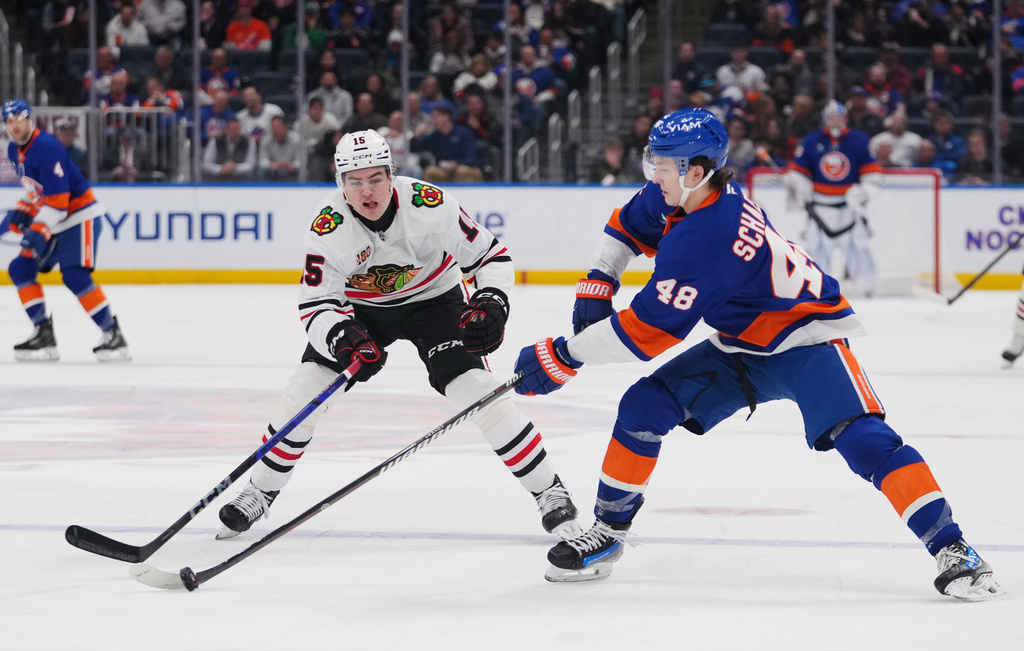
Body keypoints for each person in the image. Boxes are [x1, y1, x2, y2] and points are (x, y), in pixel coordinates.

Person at [511, 107, 1004, 602]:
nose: (651, 174)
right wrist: (600, 276)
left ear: (695, 171)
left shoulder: (708, 236)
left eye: (660, 165)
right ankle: (608, 534)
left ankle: (955, 549)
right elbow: (628, 222)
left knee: (867, 442)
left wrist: (564, 356)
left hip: (806, 338)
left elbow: (646, 334)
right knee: (643, 408)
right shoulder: (689, 193)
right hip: (739, 343)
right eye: (653, 162)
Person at [216, 130, 582, 542]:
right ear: (340, 184)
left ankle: (549, 490)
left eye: (375, 178)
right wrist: (342, 336)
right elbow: (315, 305)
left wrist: (492, 303)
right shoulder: (327, 228)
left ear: (392, 175)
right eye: (354, 181)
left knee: (477, 391)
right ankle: (260, 490)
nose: (366, 190)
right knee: (306, 391)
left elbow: (490, 256)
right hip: (361, 311)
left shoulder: (432, 205)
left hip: (435, 302)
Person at [2, 100, 130, 362]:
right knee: (20, 268)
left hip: (79, 217)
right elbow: (38, 191)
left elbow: (59, 201)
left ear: (30, 119)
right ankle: (43, 334)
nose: (15, 125)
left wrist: (37, 229)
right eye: (9, 121)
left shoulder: (47, 147)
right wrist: (23, 208)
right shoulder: (15, 151)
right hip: (57, 220)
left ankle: (113, 334)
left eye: (19, 118)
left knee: (74, 275)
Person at [785, 100, 882, 297]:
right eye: (831, 118)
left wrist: (865, 191)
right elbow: (797, 171)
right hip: (821, 207)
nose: (835, 121)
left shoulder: (859, 140)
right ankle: (815, 290)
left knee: (858, 247)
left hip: (849, 206)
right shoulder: (812, 141)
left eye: (838, 117)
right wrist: (799, 184)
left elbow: (872, 174)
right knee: (816, 248)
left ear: (845, 118)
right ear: (824, 120)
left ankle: (867, 289)